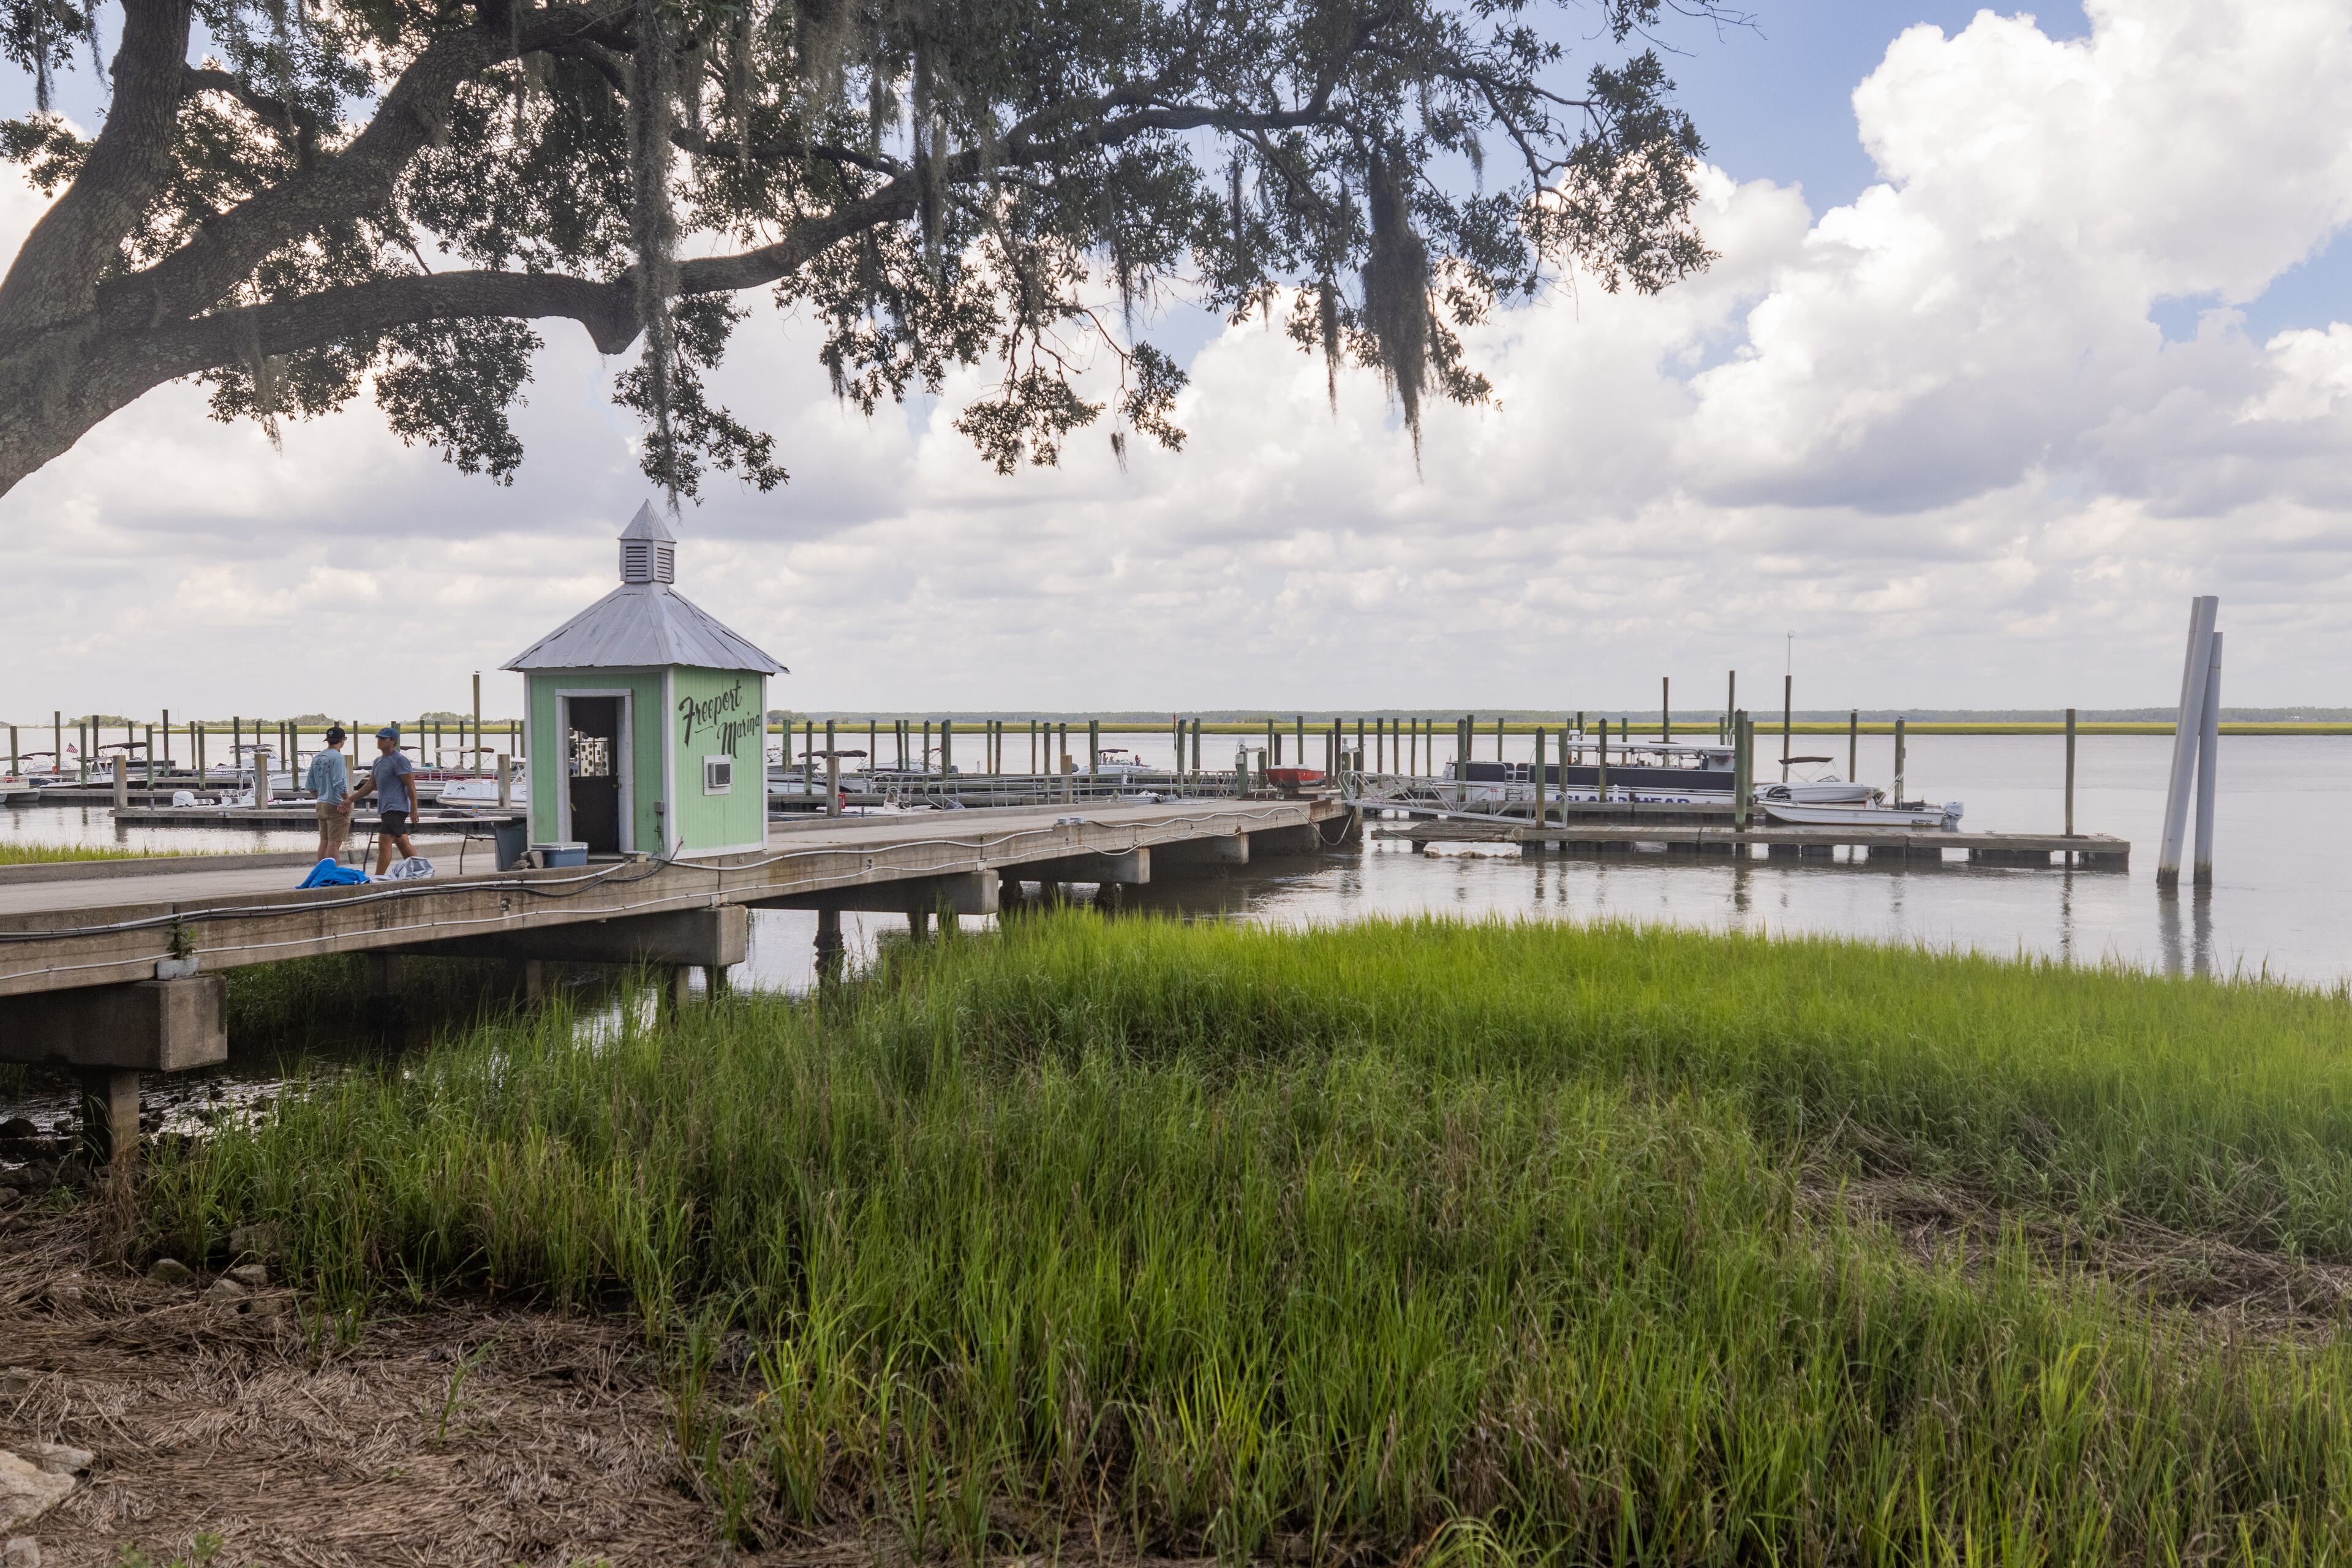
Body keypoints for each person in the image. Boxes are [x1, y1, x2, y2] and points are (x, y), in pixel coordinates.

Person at [348, 724, 419, 875]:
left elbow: (410, 786)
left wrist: (414, 809)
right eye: (378, 738)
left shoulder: (400, 760)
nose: (379, 741)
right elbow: (370, 785)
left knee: (384, 842)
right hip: (385, 808)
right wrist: (350, 800)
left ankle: (378, 878)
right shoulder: (378, 761)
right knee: (402, 843)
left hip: (397, 808)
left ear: (392, 741)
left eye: (383, 738)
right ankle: (419, 871)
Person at [305, 725, 353, 860]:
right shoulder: (338, 758)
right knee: (335, 842)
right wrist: (347, 801)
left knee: (324, 841)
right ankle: (331, 872)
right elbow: (339, 783)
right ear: (342, 740)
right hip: (336, 804)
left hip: (321, 803)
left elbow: (310, 785)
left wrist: (320, 797)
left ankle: (322, 871)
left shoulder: (318, 757)